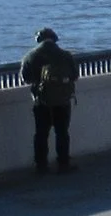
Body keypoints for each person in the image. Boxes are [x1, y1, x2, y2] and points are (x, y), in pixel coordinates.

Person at [21, 27, 79, 174]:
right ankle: (63, 164)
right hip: (62, 101)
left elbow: (25, 78)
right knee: (62, 133)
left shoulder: (31, 56)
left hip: (42, 101)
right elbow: (75, 75)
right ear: (55, 39)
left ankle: (41, 166)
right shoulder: (65, 55)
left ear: (38, 40)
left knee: (41, 134)